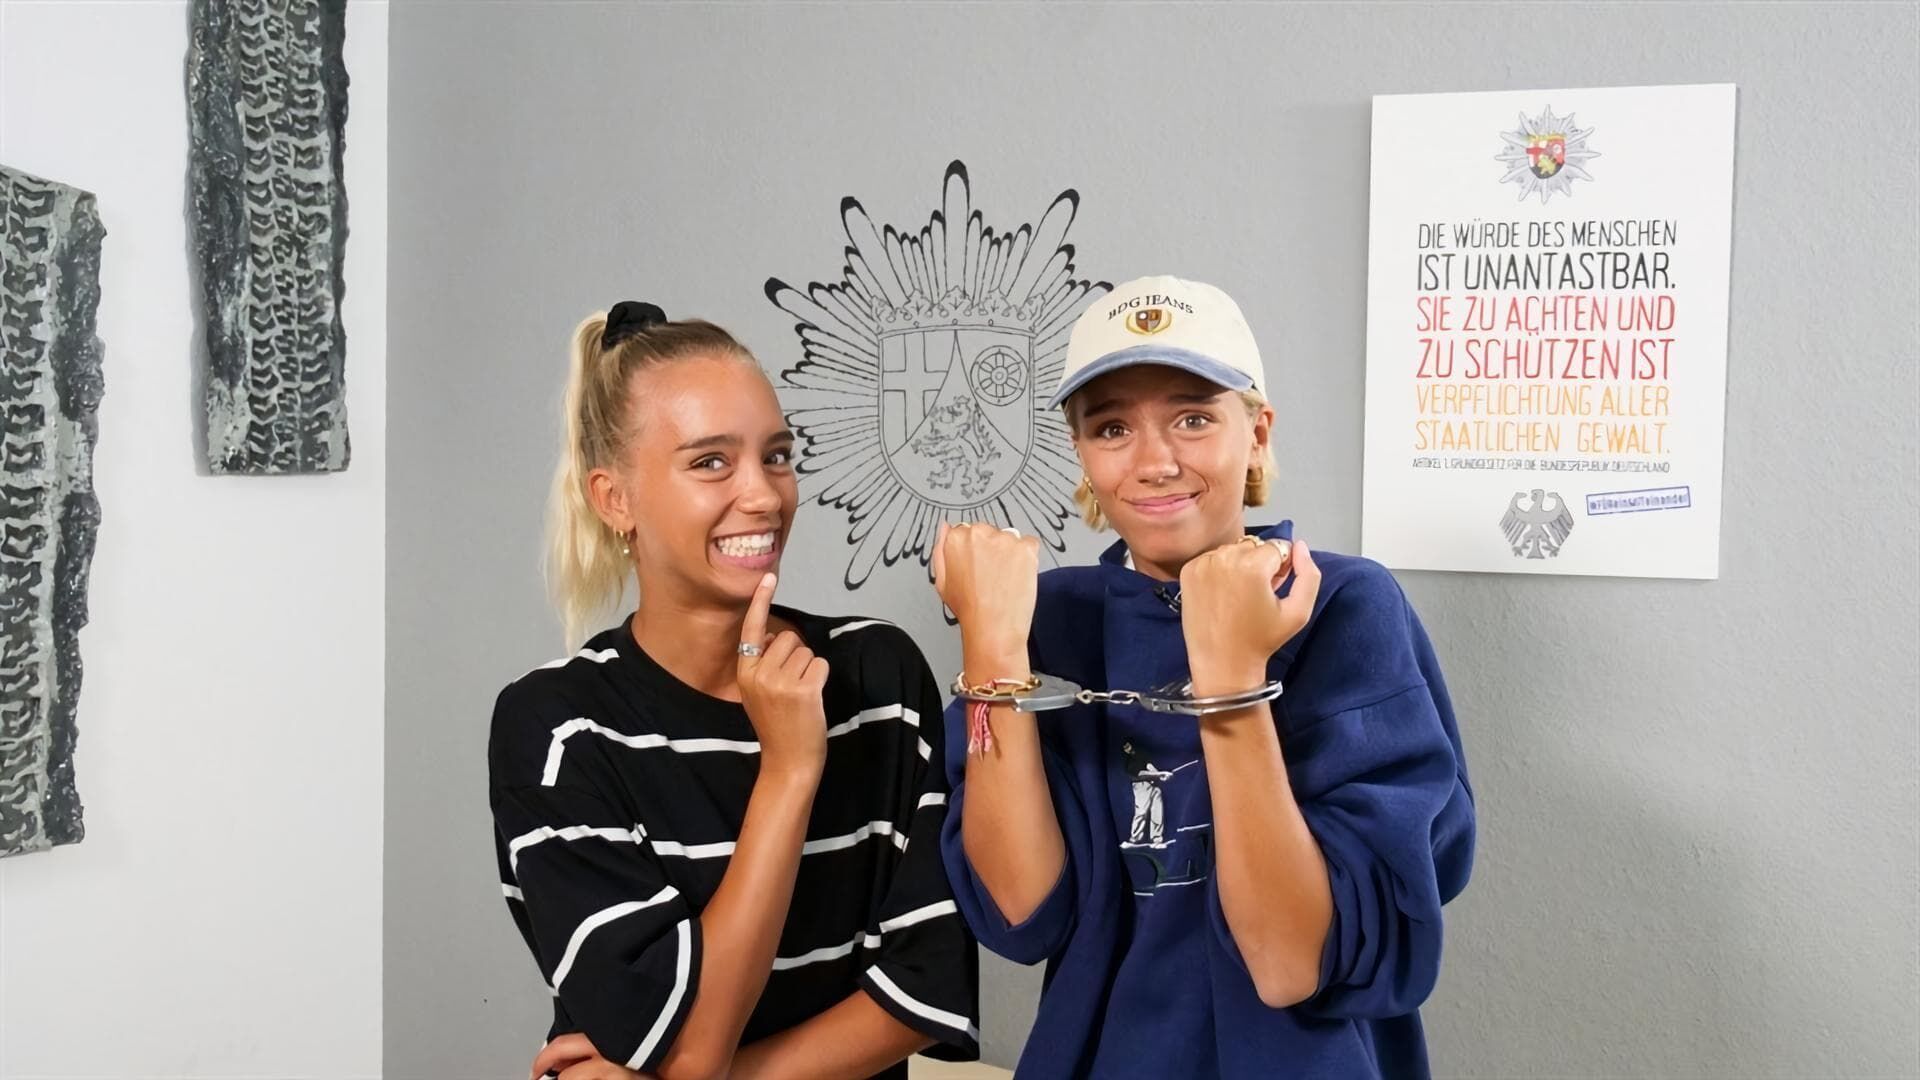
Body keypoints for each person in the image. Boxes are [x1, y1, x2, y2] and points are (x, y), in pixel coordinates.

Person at [934, 276, 1475, 1078]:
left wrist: (1229, 675)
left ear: (1256, 433)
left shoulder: (1343, 608)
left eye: (1193, 418)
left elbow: (1289, 963)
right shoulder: (1054, 620)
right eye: (1112, 427)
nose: (1155, 463)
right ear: (1081, 451)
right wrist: (990, 648)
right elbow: (1020, 915)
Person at [489, 302, 978, 1080]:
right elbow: (686, 1041)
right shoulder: (558, 729)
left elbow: (925, 990)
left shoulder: (877, 678)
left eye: (776, 456)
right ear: (614, 499)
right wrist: (788, 771)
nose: (764, 495)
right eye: (711, 462)